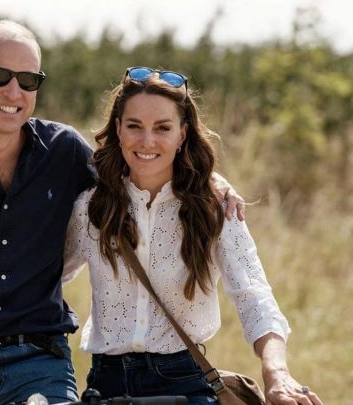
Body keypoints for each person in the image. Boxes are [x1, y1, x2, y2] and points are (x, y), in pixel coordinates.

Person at [0, 19, 243, 405]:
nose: (14, 91)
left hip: (39, 363)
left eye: (28, 80)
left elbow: (137, 170)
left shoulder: (63, 152)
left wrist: (208, 180)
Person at [59, 68, 323, 404]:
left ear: (182, 134)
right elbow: (46, 278)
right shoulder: (90, 206)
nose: (147, 141)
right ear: (118, 128)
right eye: (135, 126)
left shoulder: (214, 207)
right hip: (107, 384)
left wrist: (277, 373)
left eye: (163, 128)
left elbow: (253, 295)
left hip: (185, 383)